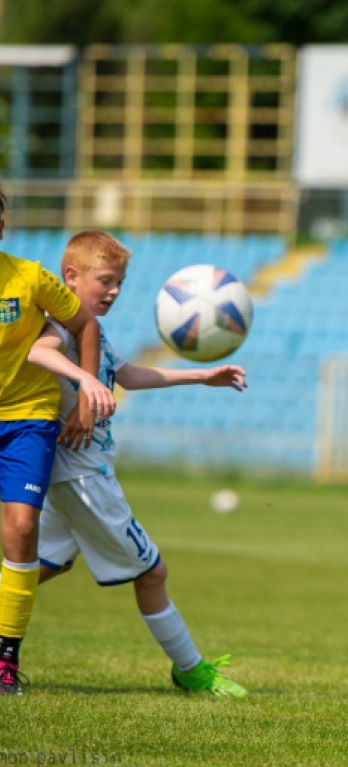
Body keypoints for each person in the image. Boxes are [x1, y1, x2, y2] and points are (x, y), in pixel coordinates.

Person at [27, 230, 248, 697]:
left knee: (41, 565)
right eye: (105, 280)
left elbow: (127, 375)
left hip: (71, 475)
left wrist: (202, 376)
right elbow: (39, 351)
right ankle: (190, 669)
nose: (114, 291)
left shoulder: (94, 330)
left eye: (120, 283)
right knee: (153, 572)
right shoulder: (65, 326)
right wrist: (84, 385)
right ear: (71, 276)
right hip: (82, 476)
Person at [0, 185, 115, 696]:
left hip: (27, 417)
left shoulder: (28, 277)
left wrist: (87, 394)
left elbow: (83, 321)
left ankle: (5, 659)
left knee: (23, 528)